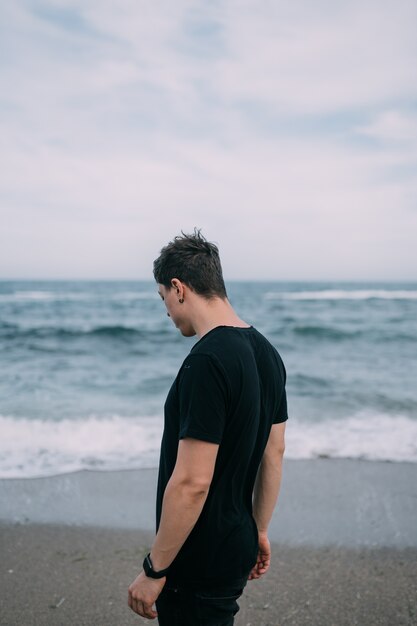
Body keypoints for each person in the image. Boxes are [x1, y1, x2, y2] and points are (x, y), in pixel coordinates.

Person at [128, 229, 287, 625]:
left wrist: (154, 570)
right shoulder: (267, 353)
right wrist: (259, 529)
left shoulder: (207, 360)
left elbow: (192, 482)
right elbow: (274, 452)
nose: (165, 309)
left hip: (198, 552)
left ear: (179, 288)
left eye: (163, 296)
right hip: (236, 542)